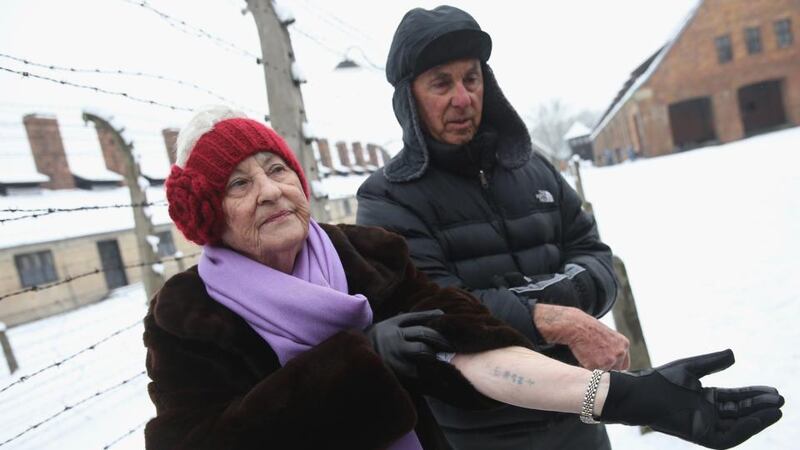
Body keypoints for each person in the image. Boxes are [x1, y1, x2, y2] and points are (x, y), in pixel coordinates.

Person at [144, 106, 783, 450]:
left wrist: (629, 397)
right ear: (207, 213)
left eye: (276, 169)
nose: (270, 192)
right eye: (237, 183)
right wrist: (358, 361)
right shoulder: (188, 315)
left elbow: (473, 348)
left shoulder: (367, 256)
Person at [356, 5, 626, 448]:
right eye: (441, 83)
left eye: (472, 78)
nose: (462, 98)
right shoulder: (387, 198)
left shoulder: (535, 168)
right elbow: (440, 309)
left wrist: (540, 306)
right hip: (480, 433)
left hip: (578, 413)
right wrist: (556, 318)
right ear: (410, 98)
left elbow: (596, 258)